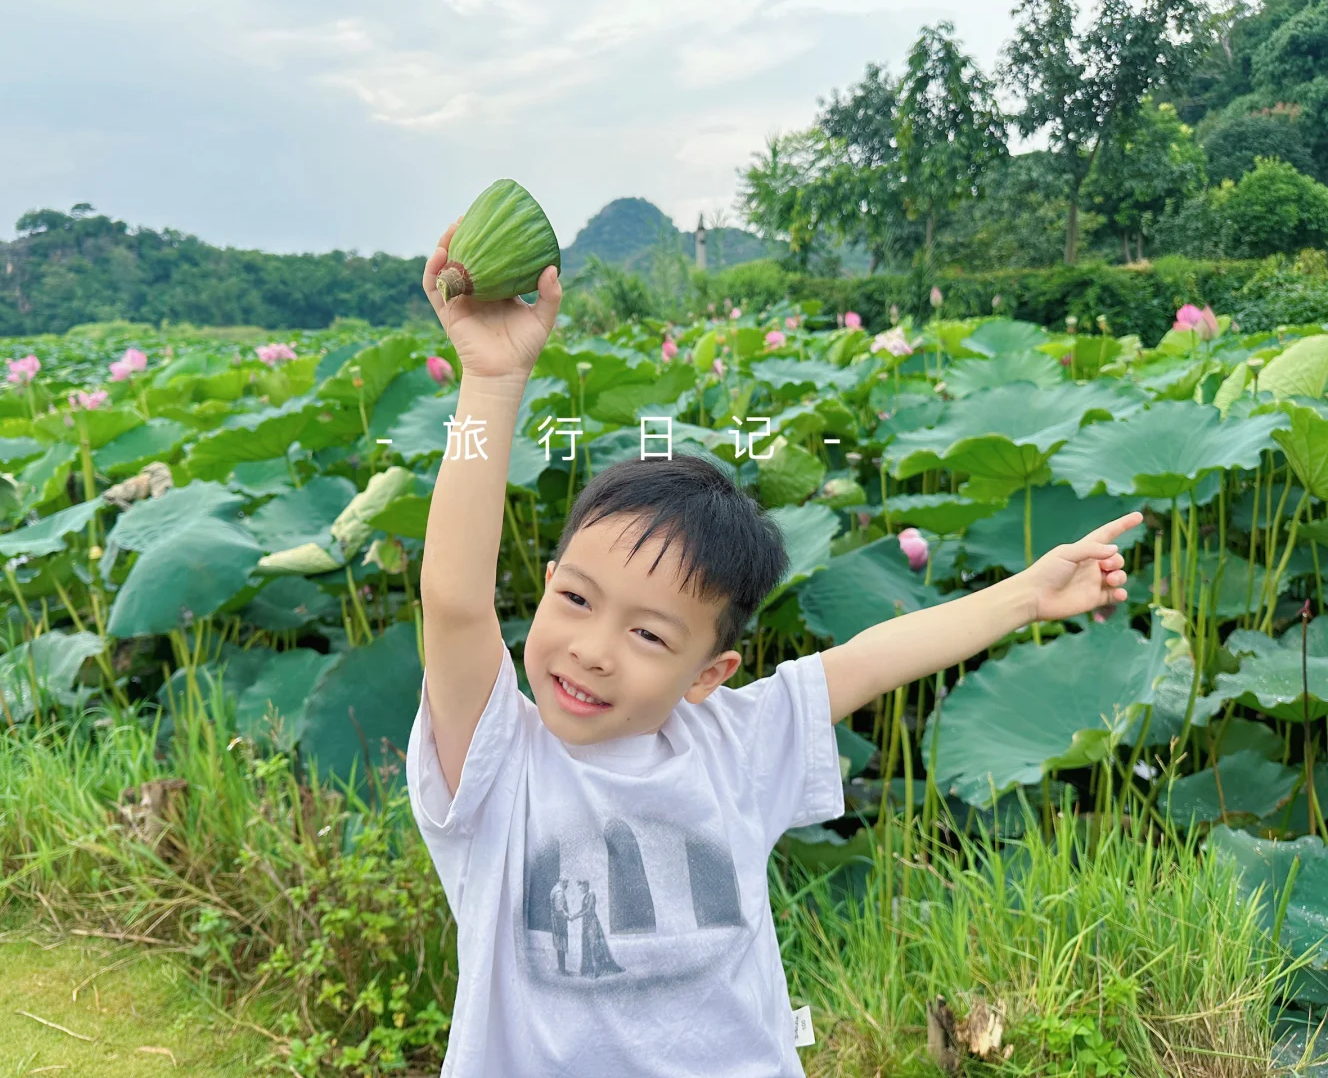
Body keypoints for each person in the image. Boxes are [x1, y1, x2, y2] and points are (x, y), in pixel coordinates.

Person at [406, 217, 1139, 1077]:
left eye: (648, 633)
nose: (592, 649)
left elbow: (874, 657)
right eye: (574, 599)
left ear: (709, 675)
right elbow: (454, 600)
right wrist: (491, 382)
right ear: (549, 581)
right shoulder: (496, 762)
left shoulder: (734, 744)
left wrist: (1025, 597)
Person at [570, 880, 622, 979]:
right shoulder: (586, 896)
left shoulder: (591, 894)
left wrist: (576, 916)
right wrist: (574, 916)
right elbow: (582, 910)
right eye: (579, 888)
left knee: (593, 945)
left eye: (581, 887)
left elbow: (589, 910)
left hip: (592, 923)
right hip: (585, 923)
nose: (580, 889)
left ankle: (596, 970)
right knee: (587, 944)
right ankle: (588, 969)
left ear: (586, 886)